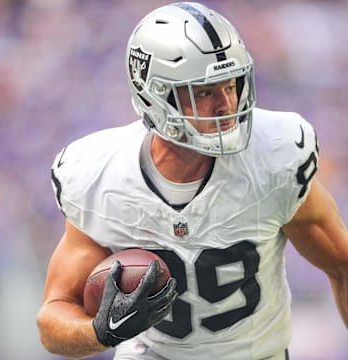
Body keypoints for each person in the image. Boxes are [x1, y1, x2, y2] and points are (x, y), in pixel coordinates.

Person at [36, 2, 348, 360]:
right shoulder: (99, 176)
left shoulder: (274, 156)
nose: (226, 104)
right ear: (154, 94)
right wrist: (99, 331)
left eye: (231, 84)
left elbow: (342, 264)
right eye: (204, 91)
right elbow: (53, 320)